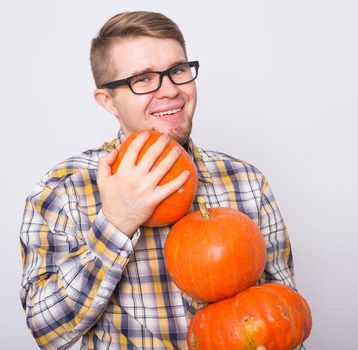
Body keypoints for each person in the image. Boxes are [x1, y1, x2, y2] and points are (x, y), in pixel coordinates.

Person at [19, 11, 297, 349]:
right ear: (108, 100)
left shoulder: (246, 181)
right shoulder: (63, 189)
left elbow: (282, 316)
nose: (170, 90)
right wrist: (116, 223)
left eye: (177, 71)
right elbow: (46, 329)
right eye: (144, 79)